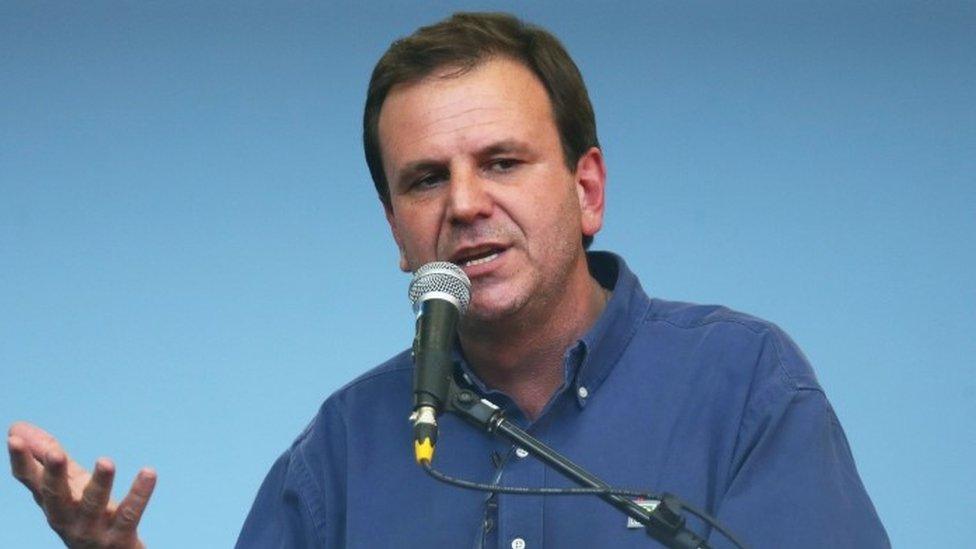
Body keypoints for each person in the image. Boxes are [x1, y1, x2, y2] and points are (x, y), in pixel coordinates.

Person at [8, 12, 889, 548]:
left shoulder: (742, 386)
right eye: (425, 179)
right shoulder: (343, 449)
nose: (464, 203)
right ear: (397, 231)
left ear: (587, 191)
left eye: (502, 161)